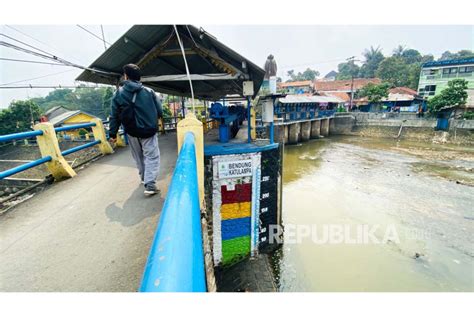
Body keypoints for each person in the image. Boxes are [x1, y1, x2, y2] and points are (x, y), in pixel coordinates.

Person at [108, 64, 163, 196]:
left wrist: (113, 134)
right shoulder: (149, 92)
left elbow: (114, 115)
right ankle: (150, 184)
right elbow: (160, 111)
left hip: (131, 131)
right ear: (139, 77)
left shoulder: (118, 94)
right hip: (148, 131)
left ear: (126, 76)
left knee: (139, 157)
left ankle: (145, 179)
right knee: (152, 156)